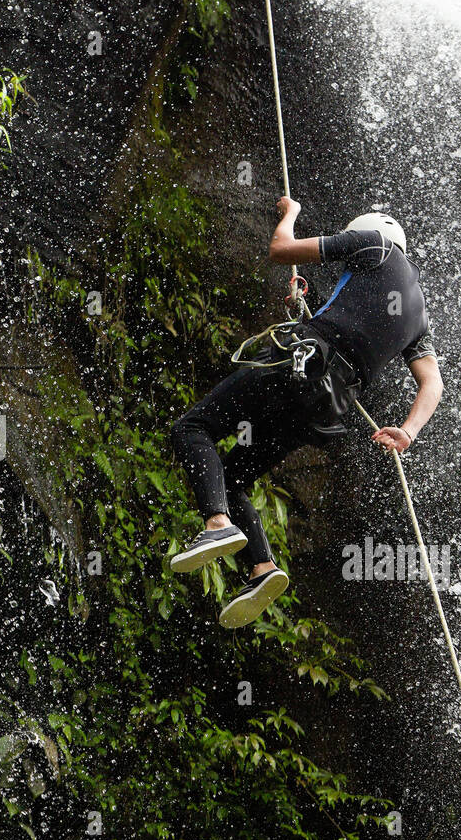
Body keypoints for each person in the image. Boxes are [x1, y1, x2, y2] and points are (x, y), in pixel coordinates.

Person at [169, 197, 444, 628]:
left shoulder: (373, 244)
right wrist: (407, 431)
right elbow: (433, 384)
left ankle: (217, 522)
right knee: (234, 478)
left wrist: (290, 213)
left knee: (192, 428)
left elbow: (282, 249)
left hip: (296, 368)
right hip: (322, 406)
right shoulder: (419, 316)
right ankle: (261, 568)